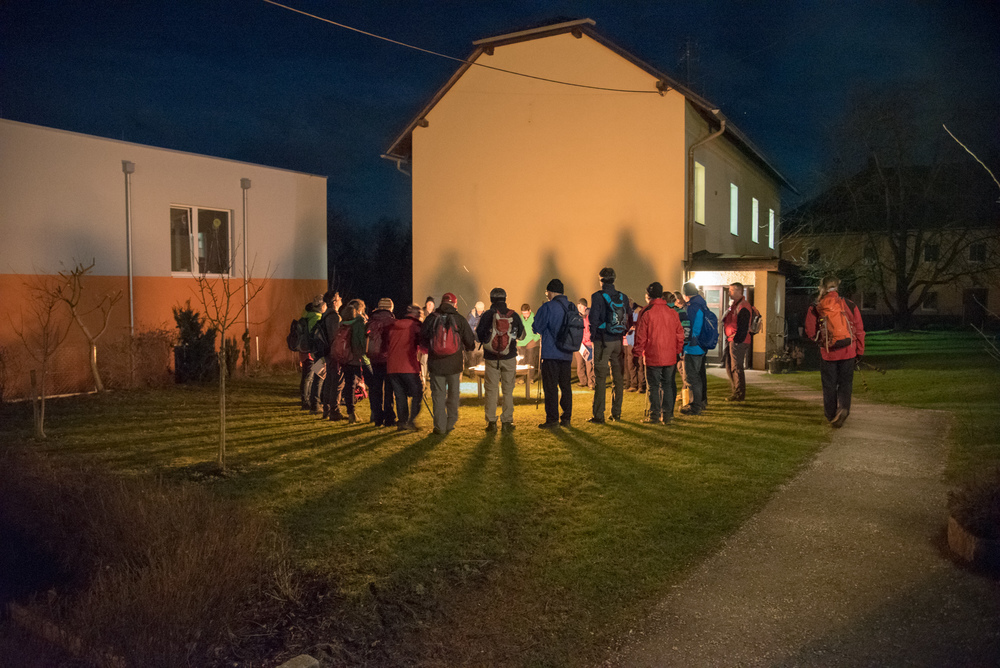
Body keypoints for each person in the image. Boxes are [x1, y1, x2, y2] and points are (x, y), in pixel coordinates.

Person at [804, 275, 866, 428]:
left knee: (829, 385)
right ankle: (843, 408)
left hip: (828, 352)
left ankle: (831, 415)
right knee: (845, 383)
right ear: (837, 287)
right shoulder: (849, 304)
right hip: (848, 351)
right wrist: (859, 350)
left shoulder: (816, 307)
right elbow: (859, 329)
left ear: (823, 287)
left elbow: (810, 331)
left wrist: (820, 341)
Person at [421, 292, 476, 435]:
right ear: (455, 304)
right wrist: (467, 348)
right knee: (453, 394)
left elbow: (422, 339)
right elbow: (470, 342)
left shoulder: (432, 318)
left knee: (438, 395)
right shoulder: (459, 319)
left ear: (441, 303)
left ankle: (440, 426)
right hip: (454, 364)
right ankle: (450, 423)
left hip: (436, 364)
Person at [633, 282, 685, 424]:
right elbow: (680, 334)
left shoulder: (647, 312)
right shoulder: (672, 312)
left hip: (653, 355)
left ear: (648, 295)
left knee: (653, 387)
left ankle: (654, 415)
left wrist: (637, 353)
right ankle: (667, 416)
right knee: (667, 385)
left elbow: (641, 336)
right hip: (669, 355)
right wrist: (677, 351)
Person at [475, 288, 526, 432]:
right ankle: (507, 422)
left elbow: (478, 336)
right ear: (505, 298)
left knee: (491, 391)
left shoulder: (487, 315)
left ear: (491, 299)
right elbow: (521, 335)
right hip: (509, 357)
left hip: (491, 358)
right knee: (508, 391)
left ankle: (491, 422)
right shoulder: (513, 315)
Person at [588, 267, 633, 423]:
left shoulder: (597, 296)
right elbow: (629, 318)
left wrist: (593, 337)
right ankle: (616, 413)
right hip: (618, 341)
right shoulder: (623, 297)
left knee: (600, 379)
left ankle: (598, 415)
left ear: (601, 280)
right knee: (618, 379)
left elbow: (593, 319)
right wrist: (622, 332)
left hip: (602, 341)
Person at [532, 279, 574, 428]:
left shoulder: (548, 307)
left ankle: (552, 419)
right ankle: (566, 417)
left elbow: (537, 327)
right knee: (566, 386)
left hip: (551, 353)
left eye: (547, 292)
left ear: (550, 292)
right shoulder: (571, 306)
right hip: (567, 353)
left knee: (551, 388)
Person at [387, 304, 425, 431]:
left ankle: (402, 422)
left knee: (400, 396)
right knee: (417, 393)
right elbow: (423, 345)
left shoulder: (394, 324)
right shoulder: (416, 326)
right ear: (418, 314)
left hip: (392, 366)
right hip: (408, 366)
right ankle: (411, 421)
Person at [335, 303, 368, 424]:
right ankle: (376, 414)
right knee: (372, 383)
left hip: (345, 359)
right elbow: (362, 342)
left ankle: (351, 414)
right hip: (356, 359)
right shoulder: (359, 323)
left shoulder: (342, 324)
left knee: (349, 385)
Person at [680, 282, 710, 415]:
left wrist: (683, 346)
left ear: (685, 294)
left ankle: (695, 406)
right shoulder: (702, 304)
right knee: (697, 376)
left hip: (692, 346)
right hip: (700, 345)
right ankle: (700, 402)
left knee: (692, 378)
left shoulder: (692, 307)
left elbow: (687, 328)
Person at [366, 298, 397, 427]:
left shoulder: (371, 321)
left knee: (376, 388)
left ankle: (377, 417)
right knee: (389, 389)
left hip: (374, 358)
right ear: (390, 308)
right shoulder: (393, 322)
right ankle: (389, 417)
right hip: (389, 359)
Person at [721, 282, 754, 402]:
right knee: (730, 366)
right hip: (732, 339)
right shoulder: (735, 305)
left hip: (738, 341)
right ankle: (736, 391)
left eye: (731, 290)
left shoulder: (743, 306)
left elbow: (743, 325)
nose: (729, 293)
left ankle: (739, 393)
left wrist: (737, 340)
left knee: (736, 367)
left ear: (738, 291)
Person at [299, 295, 326, 413]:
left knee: (307, 375)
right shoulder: (316, 317)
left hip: (304, 350)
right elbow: (315, 335)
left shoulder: (307, 314)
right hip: (311, 351)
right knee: (310, 376)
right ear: (321, 306)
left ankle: (306, 400)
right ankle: (306, 401)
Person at [319, 290, 344, 421]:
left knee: (329, 380)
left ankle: (326, 409)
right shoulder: (334, 317)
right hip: (334, 354)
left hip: (327, 353)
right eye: (339, 298)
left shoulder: (325, 315)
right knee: (337, 382)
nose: (341, 299)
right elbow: (336, 337)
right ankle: (334, 411)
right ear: (334, 302)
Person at [668, 291, 691, 411]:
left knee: (682, 375)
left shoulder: (677, 312)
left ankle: (686, 400)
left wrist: (682, 348)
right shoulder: (680, 312)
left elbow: (685, 331)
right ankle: (683, 398)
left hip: (673, 349)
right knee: (679, 374)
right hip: (676, 349)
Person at [624, 302, 646, 394]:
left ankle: (642, 385)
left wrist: (635, 328)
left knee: (639, 364)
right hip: (630, 342)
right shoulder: (627, 312)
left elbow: (643, 326)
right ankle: (633, 384)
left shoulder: (639, 311)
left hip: (638, 342)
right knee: (631, 363)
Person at [518, 303, 541, 389]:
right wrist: (517, 340)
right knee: (521, 361)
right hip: (521, 343)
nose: (525, 315)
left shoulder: (535, 319)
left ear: (530, 311)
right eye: (523, 313)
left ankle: (530, 378)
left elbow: (539, 332)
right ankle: (521, 378)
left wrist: (534, 340)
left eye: (526, 313)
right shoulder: (520, 319)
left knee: (530, 361)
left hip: (531, 343)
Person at [573, 298, 595, 389]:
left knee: (589, 364)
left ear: (585, 307)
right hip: (578, 344)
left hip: (588, 343)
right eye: (578, 306)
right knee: (579, 364)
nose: (579, 308)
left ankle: (591, 383)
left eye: (581, 306)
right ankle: (583, 381)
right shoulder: (576, 317)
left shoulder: (590, 316)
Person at [466, 300, 486, 371]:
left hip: (481, 339)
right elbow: (468, 326)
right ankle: (472, 371)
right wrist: (475, 329)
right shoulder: (471, 315)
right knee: (472, 356)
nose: (480, 312)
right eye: (478, 310)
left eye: (481, 310)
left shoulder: (485, 315)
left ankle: (479, 370)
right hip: (473, 338)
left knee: (481, 355)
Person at [420, 296, 436, 385]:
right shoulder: (422, 314)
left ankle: (429, 376)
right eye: (428, 303)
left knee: (431, 360)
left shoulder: (435, 315)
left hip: (432, 342)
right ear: (426, 304)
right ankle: (423, 379)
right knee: (424, 361)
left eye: (431, 304)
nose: (430, 305)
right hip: (424, 341)